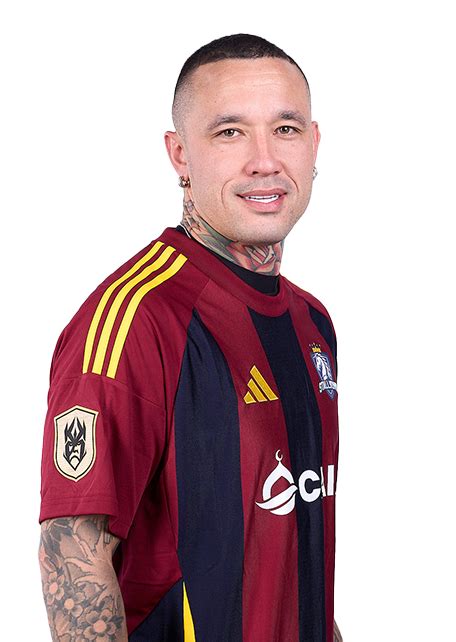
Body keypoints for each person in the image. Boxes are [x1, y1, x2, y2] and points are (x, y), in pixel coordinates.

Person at [38, 33, 343, 642]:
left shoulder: (313, 323)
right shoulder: (134, 320)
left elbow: (287, 554)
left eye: (285, 129)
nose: (264, 160)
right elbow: (73, 554)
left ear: (314, 142)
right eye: (230, 132)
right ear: (179, 154)